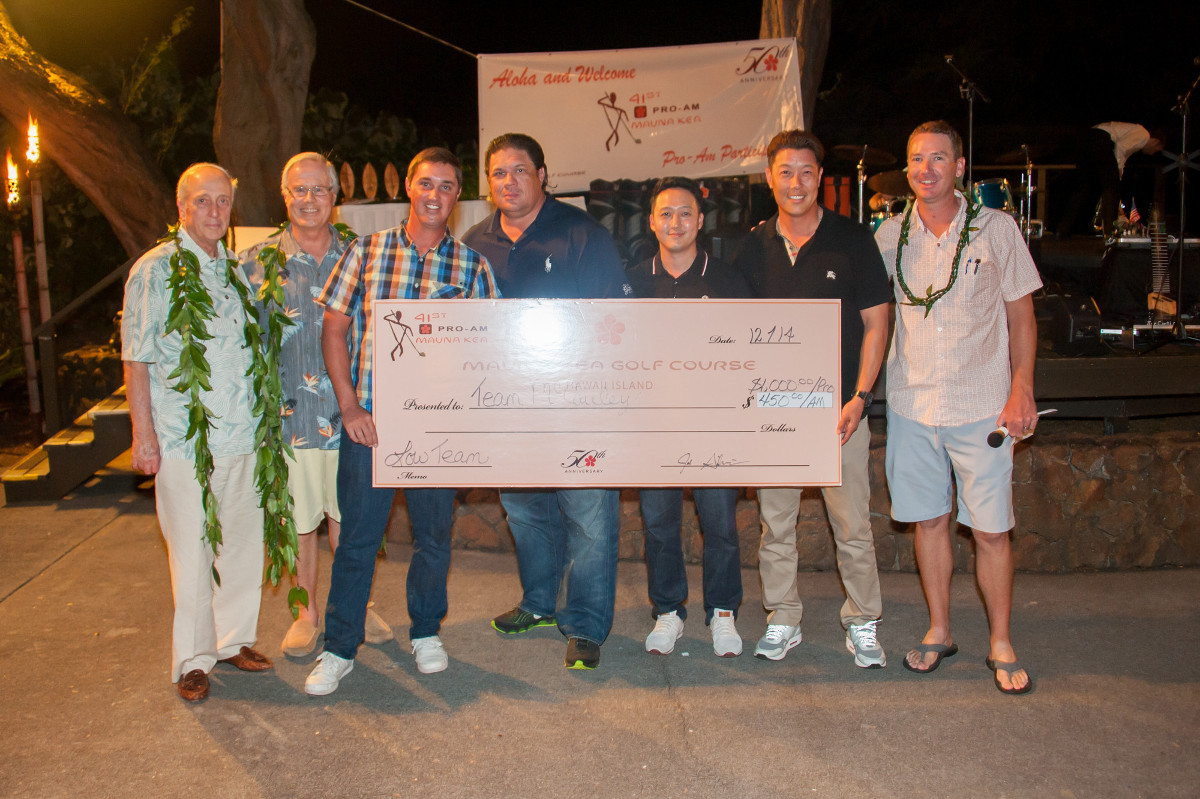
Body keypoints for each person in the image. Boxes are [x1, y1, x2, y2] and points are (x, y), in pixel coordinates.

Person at [303, 148, 500, 696]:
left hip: (436, 431)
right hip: (370, 425)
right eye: (426, 183)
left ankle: (427, 632)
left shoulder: (472, 268)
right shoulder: (364, 253)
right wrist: (350, 408)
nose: (435, 194)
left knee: (434, 537)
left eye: (447, 186)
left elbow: (488, 349)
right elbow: (333, 332)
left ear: (457, 196)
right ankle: (340, 647)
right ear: (409, 187)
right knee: (358, 540)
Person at [875, 120, 1043, 695]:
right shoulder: (889, 235)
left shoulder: (996, 230)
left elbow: (1022, 317)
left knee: (992, 530)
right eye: (917, 158)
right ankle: (939, 628)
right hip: (911, 403)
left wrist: (1022, 387)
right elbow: (873, 319)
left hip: (981, 404)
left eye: (939, 158)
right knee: (929, 520)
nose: (926, 169)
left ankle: (1000, 640)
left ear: (961, 166)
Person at [462, 132, 633, 670]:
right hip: (507, 410)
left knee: (588, 515)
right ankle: (538, 603)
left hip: (578, 405)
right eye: (498, 173)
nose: (508, 181)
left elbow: (617, 324)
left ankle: (584, 625)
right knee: (525, 510)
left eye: (519, 170)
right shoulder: (474, 243)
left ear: (542, 174)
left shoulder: (584, 235)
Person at [732, 131, 892, 668]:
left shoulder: (852, 240)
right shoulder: (752, 246)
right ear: (770, 178)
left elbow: (877, 322)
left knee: (853, 524)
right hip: (775, 411)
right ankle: (783, 618)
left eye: (806, 171)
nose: (795, 182)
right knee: (775, 525)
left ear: (820, 176)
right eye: (785, 172)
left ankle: (863, 621)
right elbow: (735, 333)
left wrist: (860, 397)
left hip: (839, 412)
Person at [122, 163, 273, 702]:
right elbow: (136, 359)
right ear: (181, 207)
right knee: (192, 553)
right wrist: (144, 436)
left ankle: (233, 641)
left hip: (243, 436)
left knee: (239, 546)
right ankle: (192, 659)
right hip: (186, 442)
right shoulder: (155, 270)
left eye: (223, 201)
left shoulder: (234, 269)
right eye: (202, 201)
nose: (214, 211)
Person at [240, 152, 392, 658]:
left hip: (358, 415)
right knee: (300, 522)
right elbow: (243, 344)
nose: (309, 200)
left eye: (319, 190)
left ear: (335, 197)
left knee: (353, 519)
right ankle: (304, 615)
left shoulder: (363, 253)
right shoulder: (257, 262)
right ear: (285, 197)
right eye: (298, 190)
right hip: (291, 418)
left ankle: (357, 605)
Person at [626, 176, 750, 657]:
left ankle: (722, 612)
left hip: (713, 425)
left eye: (685, 213)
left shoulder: (728, 281)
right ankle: (667, 611)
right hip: (653, 428)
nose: (675, 222)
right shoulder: (631, 282)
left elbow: (750, 356)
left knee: (719, 523)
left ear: (700, 221)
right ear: (652, 222)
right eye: (665, 214)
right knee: (659, 525)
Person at [1058, 121, 1164, 237]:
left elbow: (1123, 155)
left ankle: (1063, 228)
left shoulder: (1136, 135)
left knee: (1083, 187)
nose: (1153, 153)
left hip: (1088, 138)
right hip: (1102, 140)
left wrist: (1118, 172)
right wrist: (1116, 171)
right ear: (1155, 141)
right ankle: (1109, 230)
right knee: (1111, 189)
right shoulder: (1143, 135)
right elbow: (1121, 149)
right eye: (1156, 149)